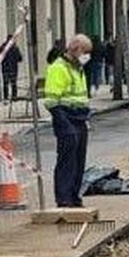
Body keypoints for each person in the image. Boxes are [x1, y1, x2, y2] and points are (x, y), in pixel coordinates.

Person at [43, 34, 93, 208]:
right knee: (67, 160)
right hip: (66, 118)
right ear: (76, 49)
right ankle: (64, 198)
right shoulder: (59, 68)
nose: (87, 56)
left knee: (79, 161)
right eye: (85, 52)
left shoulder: (77, 68)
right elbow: (51, 101)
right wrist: (63, 123)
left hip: (80, 119)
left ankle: (74, 196)